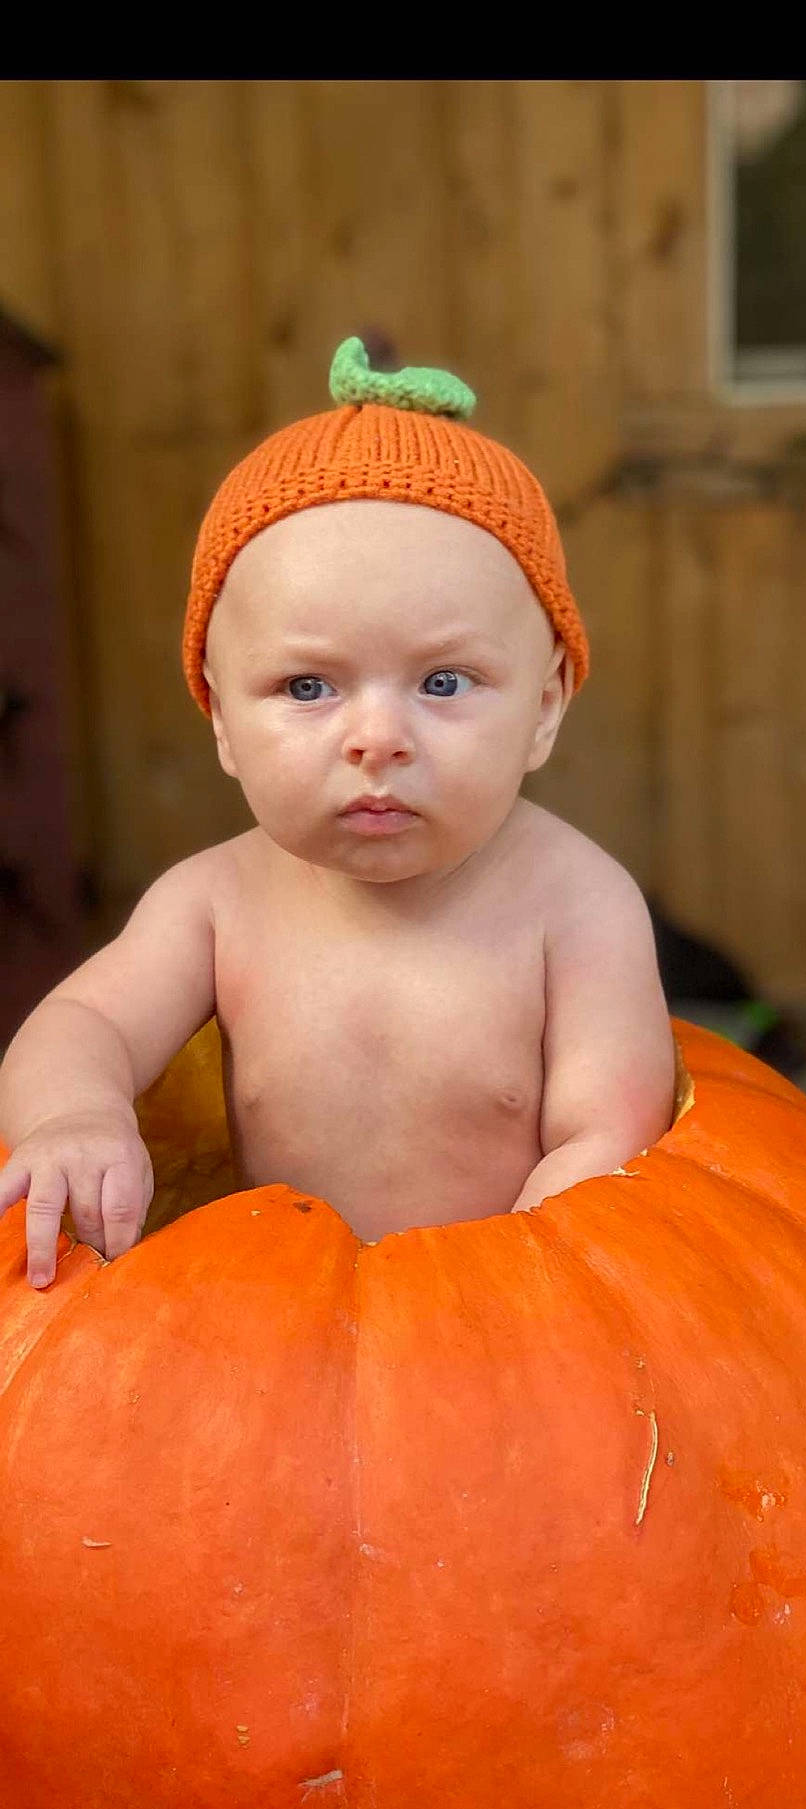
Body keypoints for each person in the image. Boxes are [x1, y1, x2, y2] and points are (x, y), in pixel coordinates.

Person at [0, 338, 675, 1289]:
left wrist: (506, 1309)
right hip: (279, 1323)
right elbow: (82, 1025)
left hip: (513, 1325)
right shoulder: (215, 902)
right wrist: (73, 1114)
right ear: (222, 718)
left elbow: (608, 1142)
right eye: (307, 685)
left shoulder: (580, 907)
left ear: (546, 706)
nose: (377, 738)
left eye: (444, 681)